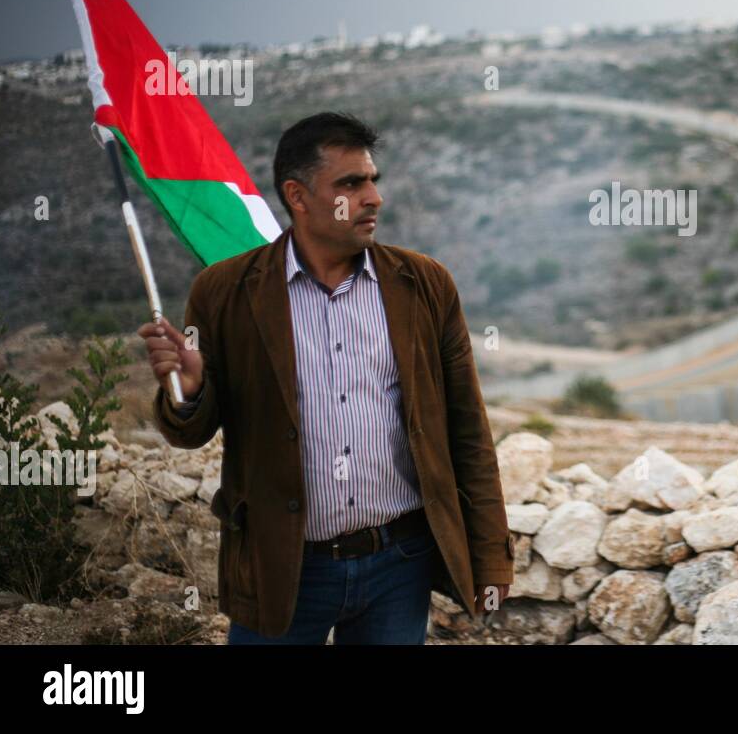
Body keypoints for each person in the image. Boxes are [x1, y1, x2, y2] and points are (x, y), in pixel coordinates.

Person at [138, 111, 513, 643]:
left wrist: (491, 560)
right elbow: (190, 432)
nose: (373, 198)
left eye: (372, 182)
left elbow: (468, 432)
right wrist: (191, 390)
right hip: (282, 568)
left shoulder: (424, 286)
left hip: (398, 566)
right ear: (298, 195)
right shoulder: (224, 292)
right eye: (350, 184)